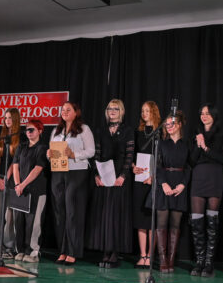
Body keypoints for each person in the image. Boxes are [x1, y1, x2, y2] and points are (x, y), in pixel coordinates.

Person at [87, 99, 134, 268]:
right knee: (104, 215)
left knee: (116, 215)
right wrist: (96, 175)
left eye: (116, 109)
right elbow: (97, 154)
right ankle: (105, 251)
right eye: (109, 109)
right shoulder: (100, 130)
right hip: (104, 175)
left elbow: (129, 155)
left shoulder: (127, 130)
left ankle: (115, 252)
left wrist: (123, 176)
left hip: (120, 178)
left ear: (121, 111)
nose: (112, 111)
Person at [48, 102, 95, 265]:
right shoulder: (56, 130)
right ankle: (62, 250)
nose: (65, 112)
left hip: (77, 172)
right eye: (63, 110)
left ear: (76, 112)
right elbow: (51, 150)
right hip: (58, 172)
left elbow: (91, 151)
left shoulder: (84, 129)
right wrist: (49, 154)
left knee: (73, 212)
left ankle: (73, 251)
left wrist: (74, 154)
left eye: (68, 110)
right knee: (59, 211)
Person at [189, 103, 223, 277]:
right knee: (197, 222)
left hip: (215, 178)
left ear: (214, 115)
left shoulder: (221, 134)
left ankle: (209, 263)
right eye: (202, 113)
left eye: (207, 113)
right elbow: (192, 160)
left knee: (212, 223)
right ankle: (199, 261)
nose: (204, 116)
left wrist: (205, 147)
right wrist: (198, 145)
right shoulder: (197, 133)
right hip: (198, 178)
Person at [153, 111, 190, 273]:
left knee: (176, 224)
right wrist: (163, 184)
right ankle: (162, 261)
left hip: (179, 185)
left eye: (172, 123)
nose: (169, 126)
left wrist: (183, 184)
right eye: (166, 124)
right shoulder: (161, 144)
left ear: (180, 124)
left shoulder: (186, 144)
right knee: (161, 223)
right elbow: (157, 165)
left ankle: (171, 261)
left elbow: (189, 166)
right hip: (164, 185)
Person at [11, 119, 49, 262]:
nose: (28, 132)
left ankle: (33, 251)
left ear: (40, 131)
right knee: (18, 221)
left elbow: (37, 169)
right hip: (20, 190)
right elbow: (15, 166)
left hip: (36, 190)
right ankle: (20, 250)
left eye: (32, 129)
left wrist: (23, 184)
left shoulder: (42, 148)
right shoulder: (21, 146)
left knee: (34, 222)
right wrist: (17, 184)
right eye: (27, 129)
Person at [131, 101, 160, 268]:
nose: (144, 113)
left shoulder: (160, 133)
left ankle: (150, 256)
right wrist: (133, 167)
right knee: (140, 219)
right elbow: (132, 154)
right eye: (142, 111)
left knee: (151, 221)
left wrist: (154, 177)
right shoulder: (138, 132)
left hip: (153, 180)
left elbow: (163, 158)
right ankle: (142, 255)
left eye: (147, 111)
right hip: (139, 179)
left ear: (154, 112)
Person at [0, 108, 22, 259]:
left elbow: (15, 161)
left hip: (11, 181)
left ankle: (10, 247)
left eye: (10, 118)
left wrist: (6, 178)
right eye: (5, 118)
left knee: (9, 217)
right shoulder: (2, 137)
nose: (7, 120)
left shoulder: (19, 138)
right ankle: (0, 247)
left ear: (15, 119)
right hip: (0, 180)